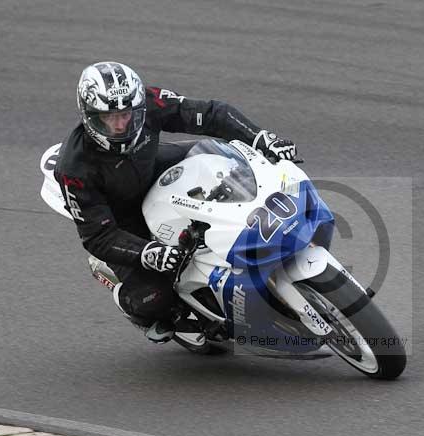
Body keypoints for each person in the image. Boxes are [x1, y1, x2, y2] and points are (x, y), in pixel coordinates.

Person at [54, 61, 297, 345]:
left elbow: (209, 114)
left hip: (155, 171)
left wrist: (259, 137)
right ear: (89, 117)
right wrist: (147, 252)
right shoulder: (73, 170)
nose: (121, 125)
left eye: (127, 115)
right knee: (155, 301)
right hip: (122, 221)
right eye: (110, 118)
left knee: (225, 163)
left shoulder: (147, 101)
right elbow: (98, 236)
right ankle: (127, 297)